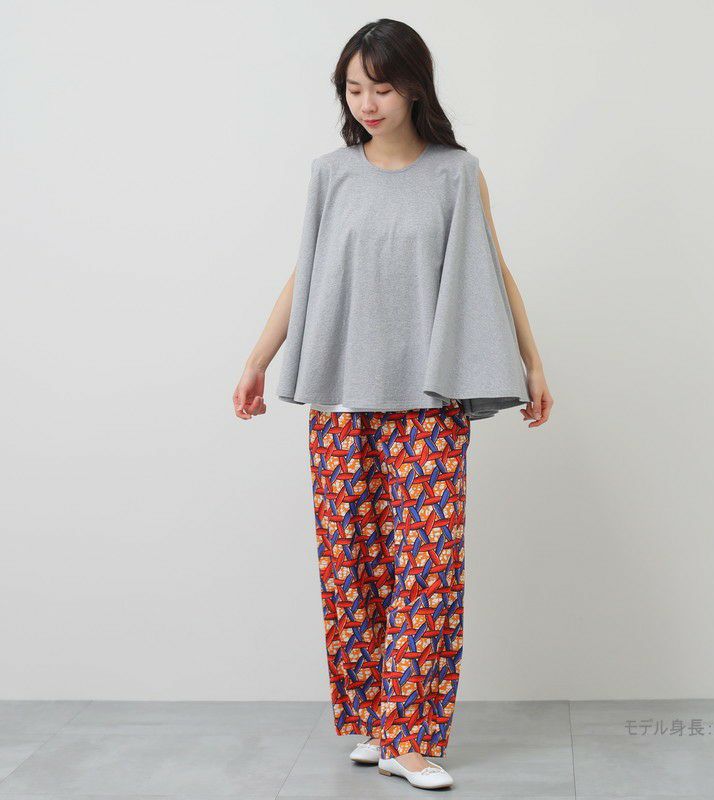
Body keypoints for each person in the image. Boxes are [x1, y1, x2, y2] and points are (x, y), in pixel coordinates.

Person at [233, 18, 553, 792]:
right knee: (354, 568)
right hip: (341, 404)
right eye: (353, 89)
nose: (367, 103)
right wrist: (256, 360)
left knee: (427, 569)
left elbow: (493, 268)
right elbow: (306, 274)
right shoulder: (330, 174)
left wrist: (534, 362)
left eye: (380, 87)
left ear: (413, 86)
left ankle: (412, 737)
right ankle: (380, 722)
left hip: (427, 401)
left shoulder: (456, 174)